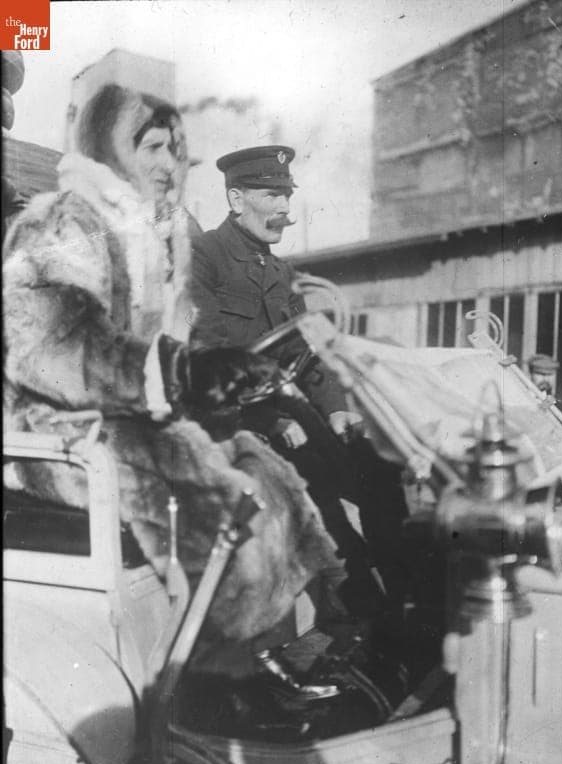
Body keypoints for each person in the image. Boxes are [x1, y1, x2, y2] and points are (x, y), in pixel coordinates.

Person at [3, 87, 347, 679]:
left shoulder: (150, 236)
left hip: (117, 422)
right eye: (153, 146)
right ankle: (205, 684)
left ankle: (246, 660)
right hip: (50, 434)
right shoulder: (63, 222)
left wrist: (212, 373)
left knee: (261, 470)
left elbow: (184, 336)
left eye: (175, 148)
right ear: (108, 149)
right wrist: (177, 374)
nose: (168, 164)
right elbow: (54, 345)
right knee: (220, 491)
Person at [190, 146, 409, 621]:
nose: (286, 210)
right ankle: (367, 614)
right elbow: (206, 357)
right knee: (322, 505)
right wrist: (269, 416)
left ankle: (404, 598)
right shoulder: (203, 257)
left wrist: (335, 407)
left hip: (289, 416)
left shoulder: (280, 271)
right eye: (273, 195)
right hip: (231, 423)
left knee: (381, 467)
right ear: (236, 198)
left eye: (287, 196)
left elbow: (304, 353)